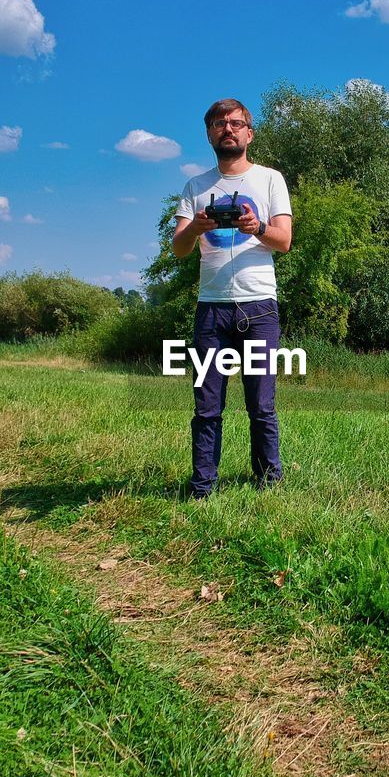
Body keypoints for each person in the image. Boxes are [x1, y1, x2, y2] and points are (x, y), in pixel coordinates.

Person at [172, 98, 293, 499]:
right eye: (220, 124)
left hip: (260, 307)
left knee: (261, 404)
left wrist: (255, 226)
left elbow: (285, 241)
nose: (228, 129)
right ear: (209, 133)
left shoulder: (271, 179)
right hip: (212, 308)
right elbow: (179, 249)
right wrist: (197, 227)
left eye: (236, 123)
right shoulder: (195, 186)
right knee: (207, 404)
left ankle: (268, 483)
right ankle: (202, 486)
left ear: (249, 133)